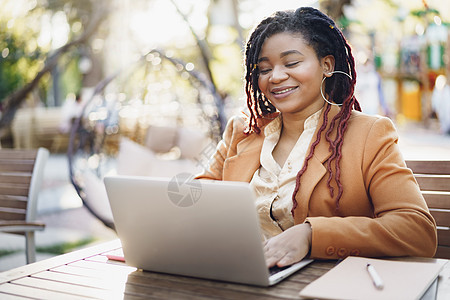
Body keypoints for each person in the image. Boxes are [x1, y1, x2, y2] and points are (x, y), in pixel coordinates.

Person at [195, 7, 437, 268]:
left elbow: (416, 229)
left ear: (327, 65)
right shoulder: (243, 130)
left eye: (291, 63)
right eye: (264, 69)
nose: (275, 76)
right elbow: (198, 198)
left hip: (322, 283)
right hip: (238, 272)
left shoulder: (369, 134)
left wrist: (312, 235)